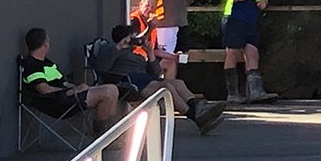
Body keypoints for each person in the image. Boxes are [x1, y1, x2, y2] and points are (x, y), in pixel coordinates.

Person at [91, 23, 225, 134]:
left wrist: (150, 54)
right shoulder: (110, 49)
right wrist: (118, 46)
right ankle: (196, 116)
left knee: (178, 83)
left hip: (146, 79)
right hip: (129, 81)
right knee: (166, 88)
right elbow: (103, 67)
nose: (133, 40)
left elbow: (155, 73)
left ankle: (198, 108)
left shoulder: (136, 55)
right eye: (130, 38)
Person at [20, 28, 119, 126]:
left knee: (113, 89)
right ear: (45, 44)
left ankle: (112, 131)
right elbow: (45, 90)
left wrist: (77, 87)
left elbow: (64, 82)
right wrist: (71, 91)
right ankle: (101, 134)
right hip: (58, 103)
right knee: (106, 94)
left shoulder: (47, 63)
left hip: (68, 96)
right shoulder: (32, 65)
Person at [222, 0, 276, 103]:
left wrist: (263, 2)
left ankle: (255, 92)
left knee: (253, 53)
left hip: (251, 18)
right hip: (235, 17)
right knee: (232, 52)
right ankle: (233, 94)